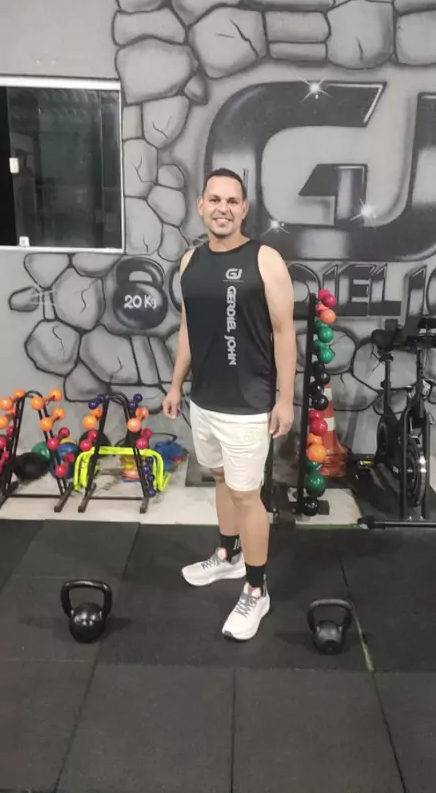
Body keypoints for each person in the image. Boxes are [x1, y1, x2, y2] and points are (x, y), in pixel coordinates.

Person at [163, 167, 296, 641]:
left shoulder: (265, 259)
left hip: (248, 404)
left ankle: (256, 590)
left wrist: (285, 400)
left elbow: (284, 332)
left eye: (232, 201)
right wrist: (176, 385)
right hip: (205, 400)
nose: (222, 208)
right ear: (201, 205)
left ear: (244, 209)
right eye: (214, 200)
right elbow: (189, 328)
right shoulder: (190, 261)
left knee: (247, 496)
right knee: (220, 479)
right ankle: (228, 555)